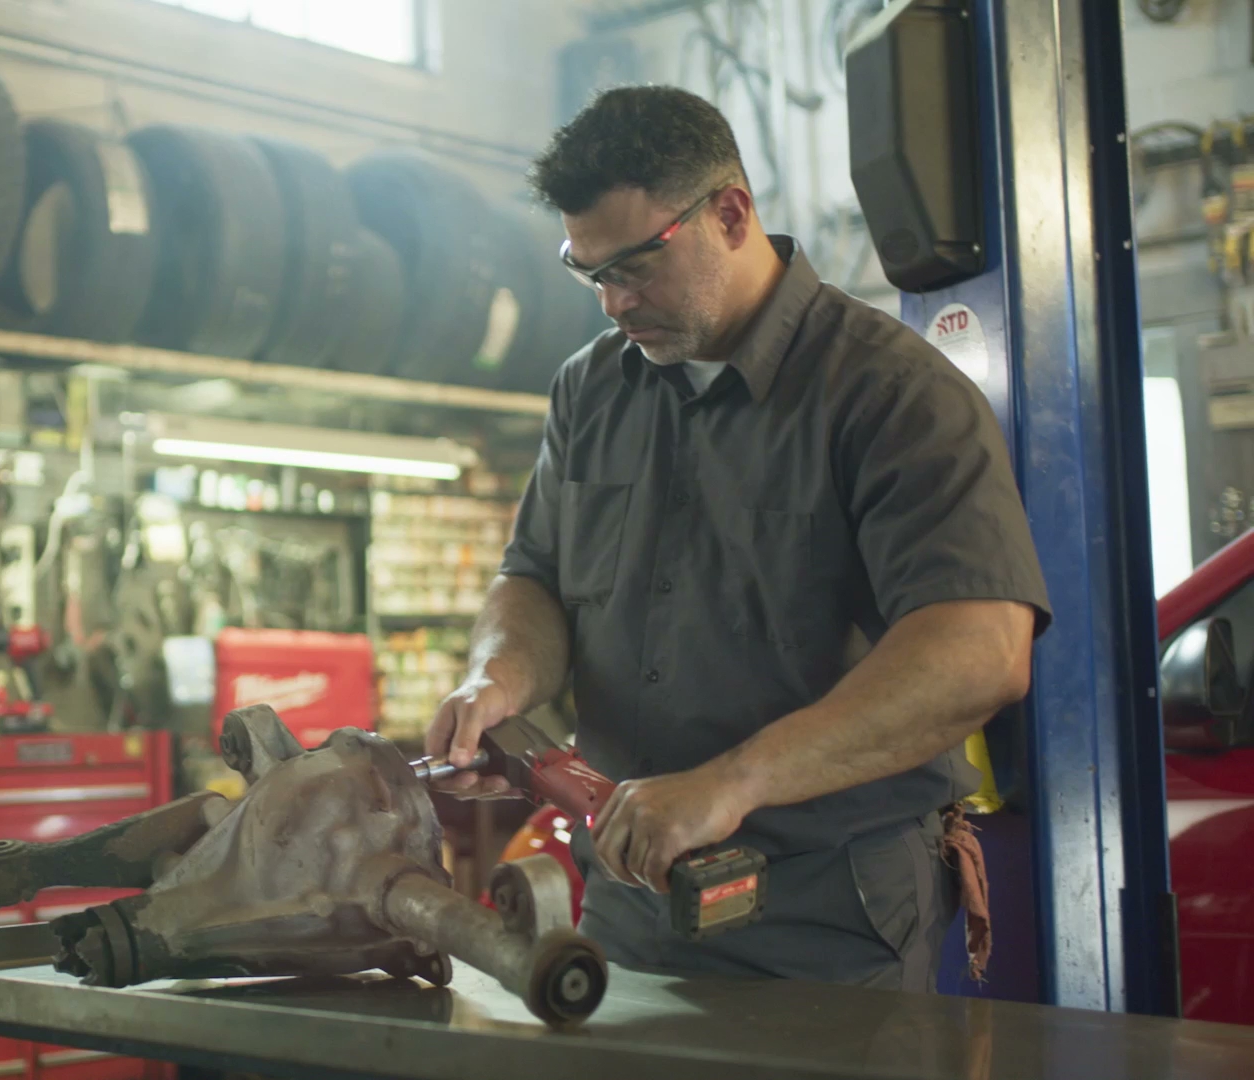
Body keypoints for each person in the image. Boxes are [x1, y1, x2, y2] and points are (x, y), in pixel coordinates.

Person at [426, 86, 1051, 990]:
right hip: (627, 887)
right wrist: (496, 679)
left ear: (729, 214)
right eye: (588, 272)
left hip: (828, 908)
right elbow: (535, 578)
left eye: (635, 265)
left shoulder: (891, 394)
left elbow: (980, 656)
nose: (613, 302)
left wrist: (732, 782)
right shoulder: (591, 389)